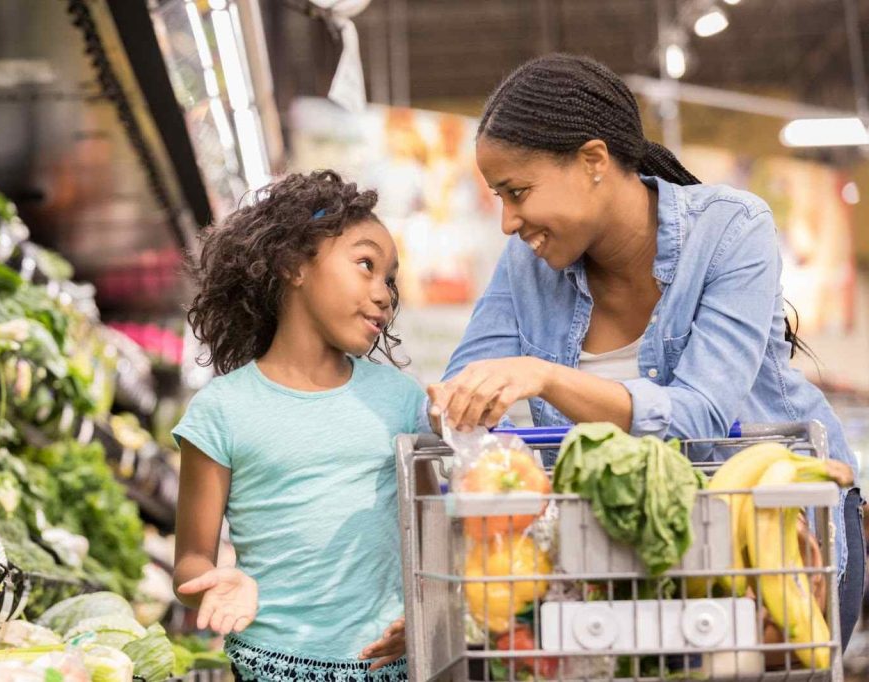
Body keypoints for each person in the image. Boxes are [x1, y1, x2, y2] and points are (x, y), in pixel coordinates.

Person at [426, 53, 864, 647]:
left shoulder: (731, 230)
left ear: (593, 161)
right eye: (500, 197)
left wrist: (545, 377)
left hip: (776, 538)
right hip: (616, 559)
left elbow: (699, 413)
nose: (508, 220)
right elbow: (465, 386)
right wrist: (454, 403)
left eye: (518, 192)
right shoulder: (527, 267)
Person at [172, 170, 427, 680]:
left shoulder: (402, 401)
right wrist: (217, 580)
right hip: (270, 664)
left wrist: (424, 612)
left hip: (387, 665)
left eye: (390, 280)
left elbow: (429, 534)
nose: (384, 294)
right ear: (293, 265)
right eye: (365, 265)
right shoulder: (222, 409)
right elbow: (191, 558)